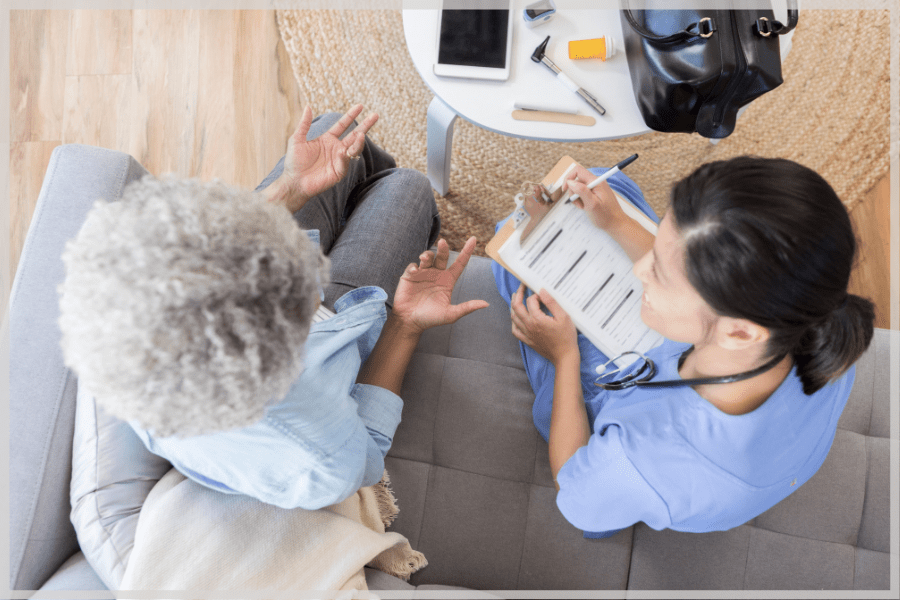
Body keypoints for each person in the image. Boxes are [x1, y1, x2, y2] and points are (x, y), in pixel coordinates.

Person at [58, 105, 489, 510]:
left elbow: (208, 255)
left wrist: (289, 188)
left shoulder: (125, 321)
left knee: (334, 131)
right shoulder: (322, 457)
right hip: (337, 326)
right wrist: (405, 324)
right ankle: (378, 186)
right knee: (407, 186)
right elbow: (368, 446)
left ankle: (362, 182)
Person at [492, 156, 875, 537]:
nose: (640, 271)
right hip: (719, 413)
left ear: (738, 332)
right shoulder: (819, 320)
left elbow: (573, 489)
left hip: (628, 476)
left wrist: (564, 356)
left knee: (514, 252)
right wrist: (618, 222)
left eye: (657, 271)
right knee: (608, 187)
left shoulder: (640, 456)